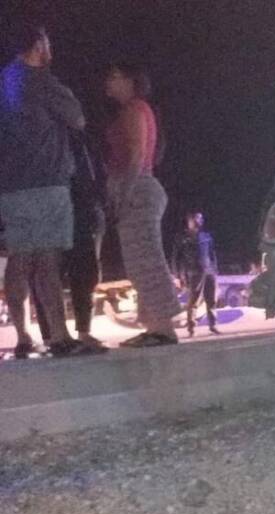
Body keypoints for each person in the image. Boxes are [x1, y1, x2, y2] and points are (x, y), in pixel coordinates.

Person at [0, 23, 100, 358]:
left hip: (10, 186)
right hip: (46, 181)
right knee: (46, 258)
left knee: (19, 256)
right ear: (39, 45)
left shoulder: (4, 81)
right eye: (48, 43)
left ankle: (23, 336)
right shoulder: (41, 81)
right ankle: (59, 336)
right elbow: (78, 119)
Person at [104, 63, 181, 347]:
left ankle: (163, 327)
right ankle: (153, 325)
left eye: (114, 76)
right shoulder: (135, 110)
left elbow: (136, 155)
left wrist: (124, 194)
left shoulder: (134, 109)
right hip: (139, 189)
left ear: (130, 80)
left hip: (137, 190)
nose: (107, 81)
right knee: (140, 260)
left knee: (146, 260)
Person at [34, 129, 107, 349]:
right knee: (48, 267)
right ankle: (52, 334)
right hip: (52, 200)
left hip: (80, 204)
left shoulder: (77, 138)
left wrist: (97, 201)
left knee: (84, 269)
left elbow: (93, 170)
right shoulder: (43, 133)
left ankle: (82, 330)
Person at [173, 210, 219, 337]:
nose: (200, 221)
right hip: (194, 272)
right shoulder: (182, 238)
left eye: (201, 218)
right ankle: (191, 327)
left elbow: (212, 253)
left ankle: (213, 325)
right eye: (197, 218)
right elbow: (176, 258)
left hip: (209, 271)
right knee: (194, 300)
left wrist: (215, 269)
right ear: (190, 221)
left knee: (211, 299)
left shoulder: (206, 236)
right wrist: (177, 276)